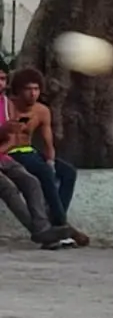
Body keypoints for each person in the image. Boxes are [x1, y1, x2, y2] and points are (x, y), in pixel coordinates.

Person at [0, 69, 83, 249]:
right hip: (12, 152)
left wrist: (51, 161)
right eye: (28, 89)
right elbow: (10, 138)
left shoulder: (40, 110)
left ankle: (53, 223)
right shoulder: (10, 106)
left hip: (21, 153)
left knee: (64, 173)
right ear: (18, 90)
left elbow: (47, 141)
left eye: (36, 89)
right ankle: (57, 226)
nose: (32, 94)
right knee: (23, 182)